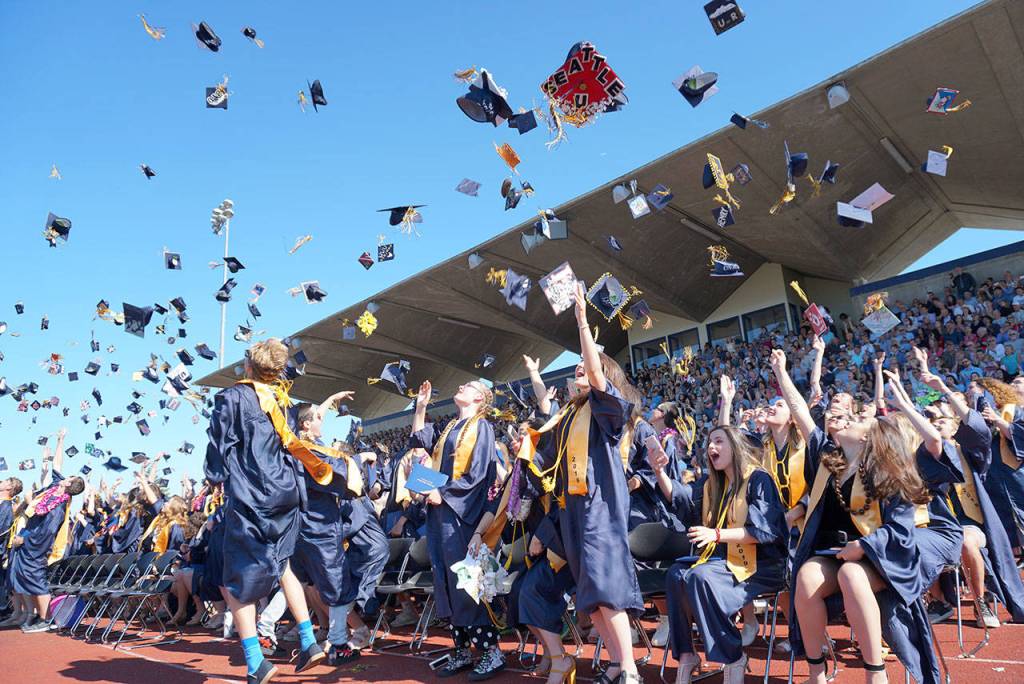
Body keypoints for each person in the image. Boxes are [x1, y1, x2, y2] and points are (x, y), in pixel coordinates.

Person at [771, 349, 939, 684]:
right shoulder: (827, 456)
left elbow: (900, 527)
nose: (845, 420)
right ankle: (816, 672)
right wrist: (781, 372)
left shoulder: (885, 469)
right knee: (805, 578)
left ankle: (875, 672)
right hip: (834, 552)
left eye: (856, 420)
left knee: (852, 575)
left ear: (868, 436)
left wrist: (863, 547)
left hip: (880, 557)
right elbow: (800, 411)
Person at [521, 282, 643, 684]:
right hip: (572, 514)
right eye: (574, 370)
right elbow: (544, 445)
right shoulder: (569, 415)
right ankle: (613, 663)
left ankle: (628, 668)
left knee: (606, 591)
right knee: (590, 601)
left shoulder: (604, 409)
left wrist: (582, 324)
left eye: (583, 368)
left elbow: (594, 372)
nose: (578, 372)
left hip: (600, 511)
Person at [204, 338, 328, 684]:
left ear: (248, 365)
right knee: (283, 562)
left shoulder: (232, 398)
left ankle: (256, 662)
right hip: (285, 494)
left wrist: (214, 477)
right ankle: (307, 640)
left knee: (236, 581)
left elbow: (219, 444)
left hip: (252, 496)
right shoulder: (279, 401)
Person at [656, 425, 787, 684]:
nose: (711, 448)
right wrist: (659, 471)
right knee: (676, 574)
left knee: (700, 577)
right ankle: (686, 655)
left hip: (763, 564)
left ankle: (733, 655)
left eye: (719, 442)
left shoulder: (759, 479)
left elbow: (763, 531)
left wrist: (716, 535)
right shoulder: (713, 484)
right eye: (709, 443)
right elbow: (681, 499)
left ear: (736, 447)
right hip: (725, 562)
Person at [407, 374, 501, 679]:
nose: (461, 386)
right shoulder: (449, 427)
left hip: (461, 515)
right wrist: (420, 408)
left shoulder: (481, 427)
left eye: (468, 385)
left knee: (465, 581)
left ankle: (491, 651)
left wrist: (440, 493)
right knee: (445, 583)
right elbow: (418, 443)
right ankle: (461, 650)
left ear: (480, 398)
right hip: (439, 514)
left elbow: (478, 477)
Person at [7, 428, 84, 632]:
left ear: (70, 484)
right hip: (27, 536)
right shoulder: (55, 488)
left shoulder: (59, 505)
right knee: (20, 575)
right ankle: (31, 615)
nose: (65, 477)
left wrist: (27, 539)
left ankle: (45, 619)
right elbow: (56, 464)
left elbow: (47, 531)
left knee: (35, 579)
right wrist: (61, 440)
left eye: (70, 478)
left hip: (35, 544)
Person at [977, 377, 1024, 551]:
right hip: (995, 475)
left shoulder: (1016, 411)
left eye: (1018, 382)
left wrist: (998, 421)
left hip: (1016, 473)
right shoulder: (990, 414)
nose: (1013, 385)